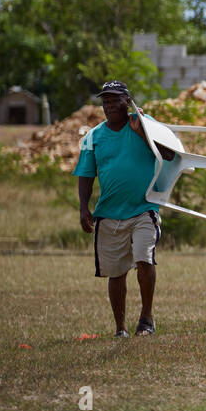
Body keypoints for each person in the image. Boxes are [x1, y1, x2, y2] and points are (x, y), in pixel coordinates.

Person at [74, 80, 174, 337]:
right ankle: (120, 328)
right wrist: (84, 208)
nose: (110, 105)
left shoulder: (144, 122)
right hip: (108, 213)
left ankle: (146, 318)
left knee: (144, 259)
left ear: (127, 101)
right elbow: (85, 174)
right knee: (116, 273)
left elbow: (170, 155)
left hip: (144, 208)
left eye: (115, 99)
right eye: (105, 101)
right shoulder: (93, 137)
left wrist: (142, 132)